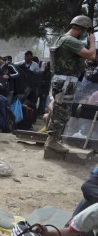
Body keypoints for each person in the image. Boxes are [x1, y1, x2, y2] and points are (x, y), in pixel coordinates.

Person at [46, 15, 96, 154]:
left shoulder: (63, 38)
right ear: (81, 30)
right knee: (61, 113)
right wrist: (92, 41)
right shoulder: (71, 40)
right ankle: (52, 142)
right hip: (65, 83)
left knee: (60, 111)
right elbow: (91, 55)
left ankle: (52, 140)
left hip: (63, 81)